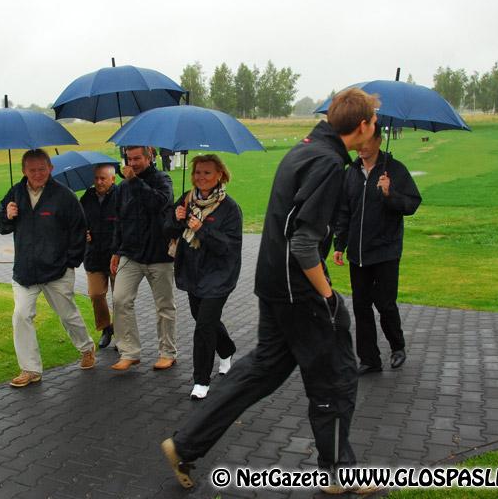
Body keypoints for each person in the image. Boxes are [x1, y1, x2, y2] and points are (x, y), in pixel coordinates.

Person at [162, 88, 379, 494]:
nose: (375, 129)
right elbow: (302, 243)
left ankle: (185, 443)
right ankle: (338, 474)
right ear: (364, 125)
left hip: (274, 283)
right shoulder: (329, 163)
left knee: (263, 369)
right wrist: (328, 297)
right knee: (335, 373)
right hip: (298, 290)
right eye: (375, 123)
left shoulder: (305, 148)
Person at [0, 149, 96, 387]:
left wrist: (70, 263)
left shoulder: (64, 196)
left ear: (50, 168)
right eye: (32, 170)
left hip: (57, 271)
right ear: (23, 171)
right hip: (25, 272)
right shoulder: (15, 193)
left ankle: (86, 347)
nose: (37, 174)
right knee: (21, 316)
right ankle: (30, 369)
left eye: (42, 169)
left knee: (67, 314)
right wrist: (7, 216)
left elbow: (79, 230)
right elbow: (1, 225)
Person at [332, 123, 422, 374]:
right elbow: (344, 211)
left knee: (385, 303)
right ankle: (370, 359)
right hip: (358, 254)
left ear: (380, 141)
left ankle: (397, 347)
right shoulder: (351, 172)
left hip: (385, 251)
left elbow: (412, 204)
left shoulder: (394, 170)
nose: (361, 147)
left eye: (367, 141)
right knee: (361, 307)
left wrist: (389, 193)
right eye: (359, 142)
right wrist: (340, 243)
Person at [167, 155, 241, 399]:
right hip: (192, 272)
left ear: (219, 174)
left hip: (219, 275)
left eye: (207, 173)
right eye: (198, 172)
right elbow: (168, 229)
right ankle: (227, 348)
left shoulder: (230, 208)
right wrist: (176, 219)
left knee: (204, 326)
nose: (201, 177)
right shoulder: (188, 199)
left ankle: (201, 381)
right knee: (201, 316)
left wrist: (202, 229)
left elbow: (228, 247)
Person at [110, 145, 177, 371]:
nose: (132, 163)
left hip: (159, 255)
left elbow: (158, 203)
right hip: (131, 254)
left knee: (164, 306)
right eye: (129, 159)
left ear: (150, 157)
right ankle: (129, 351)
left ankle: (167, 352)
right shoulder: (122, 187)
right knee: (120, 299)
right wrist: (116, 250)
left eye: (137, 158)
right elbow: (119, 220)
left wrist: (134, 182)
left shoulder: (162, 180)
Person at [80, 164, 118, 348]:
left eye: (103, 178)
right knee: (96, 295)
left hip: (116, 255)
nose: (99, 182)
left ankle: (121, 332)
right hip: (93, 254)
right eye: (96, 178)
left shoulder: (121, 195)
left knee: (120, 298)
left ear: (113, 179)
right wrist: (83, 232)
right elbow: (78, 220)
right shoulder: (87, 197)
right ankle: (105, 327)